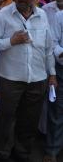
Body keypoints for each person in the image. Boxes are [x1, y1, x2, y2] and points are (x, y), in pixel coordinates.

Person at [0, 0, 56, 162]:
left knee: (29, 120)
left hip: (37, 78)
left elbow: (48, 47)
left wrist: (51, 73)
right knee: (6, 118)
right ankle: (2, 153)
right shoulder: (3, 15)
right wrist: (11, 41)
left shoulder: (42, 15)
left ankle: (22, 153)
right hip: (10, 78)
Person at [44, 9, 63, 162]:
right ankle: (52, 150)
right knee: (57, 111)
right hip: (61, 69)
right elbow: (53, 43)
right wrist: (61, 52)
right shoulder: (59, 16)